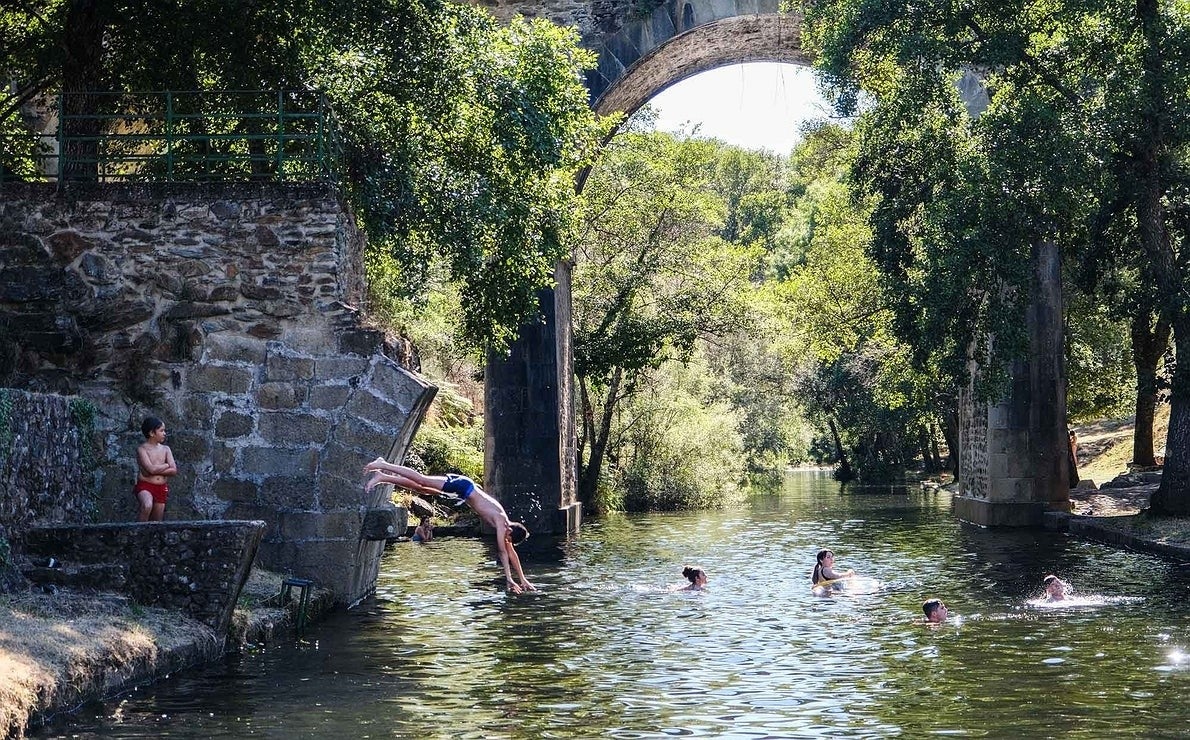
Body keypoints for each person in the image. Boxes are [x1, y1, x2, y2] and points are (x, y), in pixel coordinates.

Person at [364, 459, 535, 593]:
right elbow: (503, 552)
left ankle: (383, 477)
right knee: (422, 480)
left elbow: (512, 553)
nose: (506, 539)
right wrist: (508, 578)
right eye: (508, 538)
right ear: (510, 530)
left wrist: (522, 579)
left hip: (463, 492)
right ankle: (383, 465)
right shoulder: (500, 521)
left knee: (423, 489)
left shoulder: (505, 526)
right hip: (463, 486)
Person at [134, 416, 176, 522]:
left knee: (157, 520)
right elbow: (150, 470)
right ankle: (138, 533)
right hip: (145, 486)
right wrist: (166, 465)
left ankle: (151, 538)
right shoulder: (142, 449)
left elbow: (174, 470)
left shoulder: (166, 449)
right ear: (152, 433)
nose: (164, 433)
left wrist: (158, 469)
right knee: (146, 506)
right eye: (161, 430)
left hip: (161, 487)